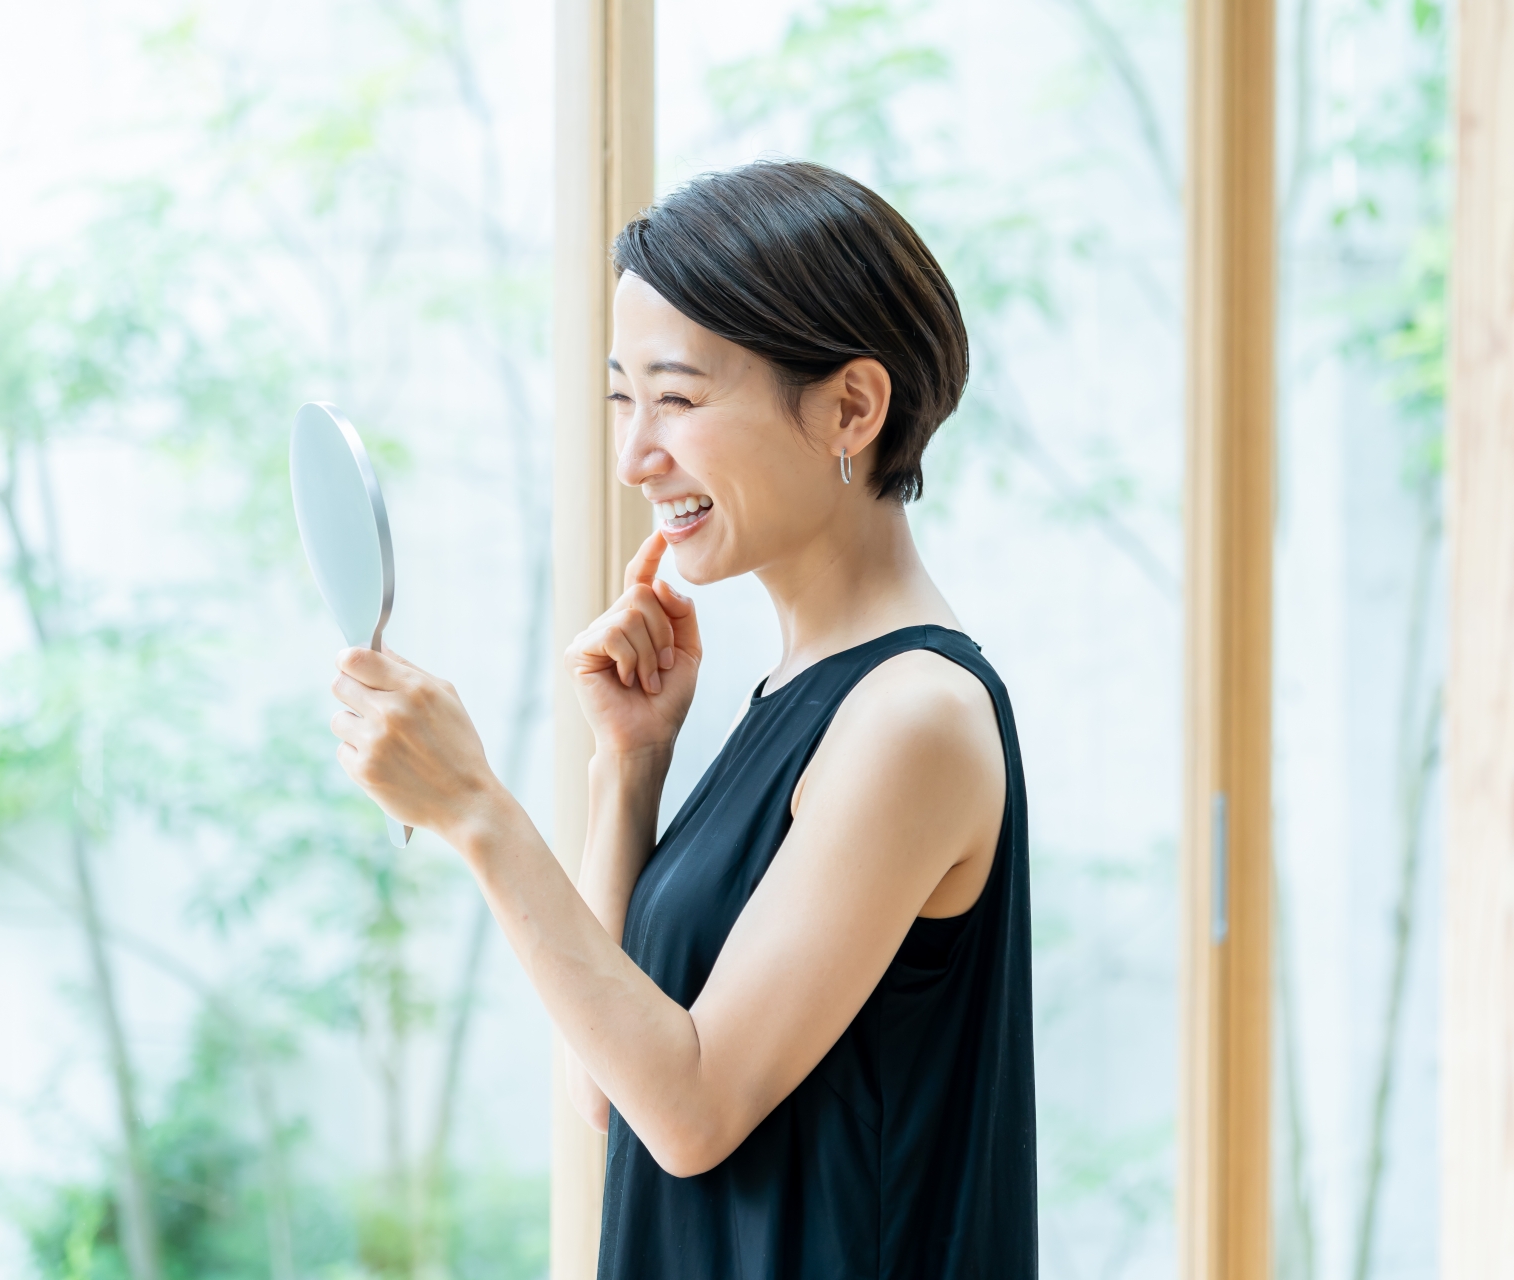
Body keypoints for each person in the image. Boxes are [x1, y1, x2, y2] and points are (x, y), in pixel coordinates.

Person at [329, 159, 1036, 1278]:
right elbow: (610, 1092)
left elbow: (694, 1111)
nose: (634, 454)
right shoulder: (795, 699)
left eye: (678, 396)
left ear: (851, 405)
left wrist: (476, 809)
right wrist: (632, 763)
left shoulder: (915, 717)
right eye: (623, 395)